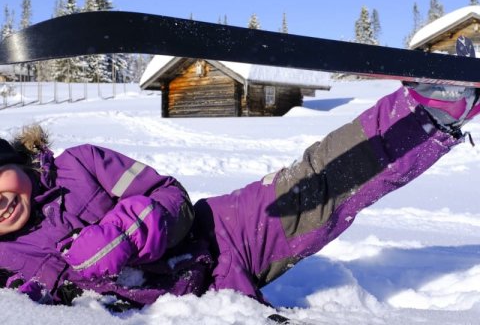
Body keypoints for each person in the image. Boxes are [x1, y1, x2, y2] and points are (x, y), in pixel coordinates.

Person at [0, 82, 479, 310]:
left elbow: (170, 199)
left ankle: (429, 112)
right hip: (179, 308)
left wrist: (124, 234)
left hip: (221, 237)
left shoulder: (80, 164)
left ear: (16, 162)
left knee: (315, 185)